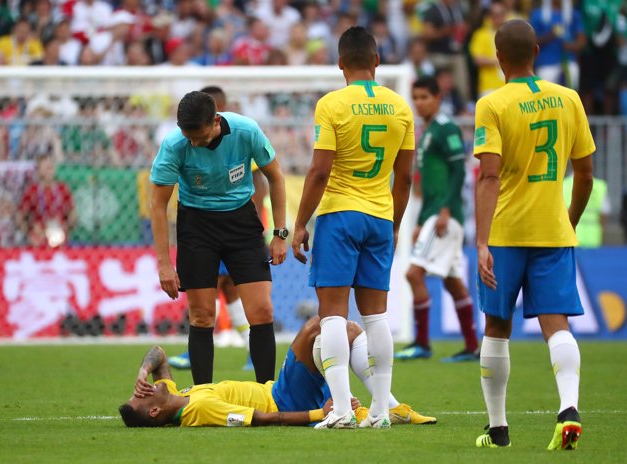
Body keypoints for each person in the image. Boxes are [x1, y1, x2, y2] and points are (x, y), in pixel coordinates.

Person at [473, 19, 595, 449]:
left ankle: (499, 428)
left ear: (499, 57)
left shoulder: (492, 104)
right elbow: (585, 174)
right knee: (556, 324)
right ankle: (568, 409)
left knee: (496, 326)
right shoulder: (569, 99)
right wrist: (570, 219)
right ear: (537, 52)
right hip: (553, 230)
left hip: (505, 232)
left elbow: (488, 176)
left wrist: (482, 241)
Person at [292, 26, 414, 429]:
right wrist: (394, 224)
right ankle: (379, 411)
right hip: (380, 216)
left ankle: (342, 410)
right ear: (377, 61)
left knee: (331, 317)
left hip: (340, 215)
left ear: (340, 63)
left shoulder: (332, 104)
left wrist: (298, 224)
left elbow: (320, 169)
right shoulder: (400, 106)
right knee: (377, 317)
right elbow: (406, 177)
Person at [150, 90, 287, 386]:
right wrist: (164, 263)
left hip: (242, 224)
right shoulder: (175, 144)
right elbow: (158, 205)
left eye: (199, 136)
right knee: (201, 316)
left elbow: (276, 177)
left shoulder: (245, 131)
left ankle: (268, 394)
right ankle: (203, 395)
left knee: (262, 311)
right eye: (189, 137)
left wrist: (279, 233)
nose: (194, 143)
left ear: (215, 121)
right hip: (196, 227)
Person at [118, 316, 437, 428]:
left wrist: (144, 370)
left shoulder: (173, 396)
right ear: (154, 410)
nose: (140, 391)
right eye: (139, 398)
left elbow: (159, 355)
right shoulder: (198, 409)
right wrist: (316, 413)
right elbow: (260, 419)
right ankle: (385, 407)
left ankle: (380, 408)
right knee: (319, 327)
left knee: (338, 333)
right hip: (283, 399)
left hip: (282, 391)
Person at [167, 86, 268, 372]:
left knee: (228, 286)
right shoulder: (185, 142)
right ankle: (215, 345)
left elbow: (261, 180)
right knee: (221, 288)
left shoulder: (240, 133)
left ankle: (243, 348)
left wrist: (259, 220)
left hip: (240, 222)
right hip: (203, 224)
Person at [394, 76, 479, 363]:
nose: (419, 103)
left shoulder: (446, 128)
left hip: (445, 214)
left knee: (413, 273)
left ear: (438, 98)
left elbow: (459, 171)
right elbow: (427, 185)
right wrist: (420, 220)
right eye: (415, 97)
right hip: (433, 213)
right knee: (453, 282)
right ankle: (471, 346)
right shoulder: (427, 131)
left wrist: (444, 210)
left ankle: (422, 343)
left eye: (424, 97)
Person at [16, 154, 77, 248]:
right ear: (39, 171)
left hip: (58, 233)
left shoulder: (63, 189)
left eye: (50, 167)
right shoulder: (32, 190)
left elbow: (72, 212)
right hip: (38, 235)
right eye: (46, 168)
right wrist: (29, 231)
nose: (49, 170)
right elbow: (20, 216)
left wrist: (66, 227)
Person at [563, 174, 610, 247]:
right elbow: (603, 214)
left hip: (572, 237)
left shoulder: (564, 184)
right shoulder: (600, 186)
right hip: (593, 237)